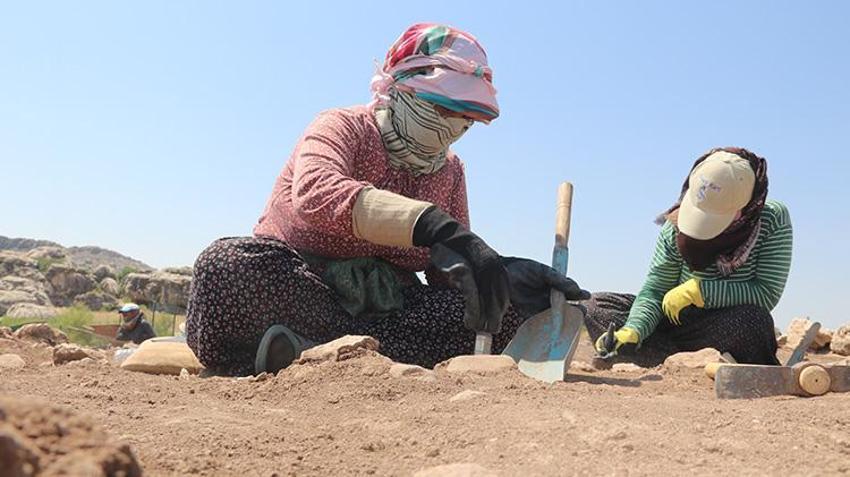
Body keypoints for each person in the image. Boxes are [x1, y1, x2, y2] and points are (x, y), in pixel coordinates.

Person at [186, 23, 589, 376]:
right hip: (304, 288)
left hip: (389, 308)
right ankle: (323, 347)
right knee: (226, 266)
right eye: (442, 109)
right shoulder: (343, 126)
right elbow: (315, 192)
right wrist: (431, 224)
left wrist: (498, 272)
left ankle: (312, 351)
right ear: (400, 91)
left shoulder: (451, 171)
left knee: (500, 315)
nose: (456, 127)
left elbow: (446, 266)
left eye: (468, 117)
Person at [586, 147, 792, 366]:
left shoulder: (772, 220)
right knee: (594, 304)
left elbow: (766, 294)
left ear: (745, 208)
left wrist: (701, 292)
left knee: (754, 321)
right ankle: (671, 358)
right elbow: (655, 291)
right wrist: (633, 329)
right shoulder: (675, 227)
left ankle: (666, 358)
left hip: (720, 325)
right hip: (671, 324)